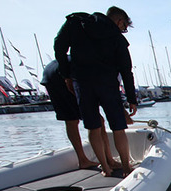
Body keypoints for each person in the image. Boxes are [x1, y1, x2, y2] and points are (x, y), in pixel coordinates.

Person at [54, 6, 138, 176]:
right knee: (118, 128)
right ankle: (126, 168)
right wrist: (131, 99)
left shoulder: (75, 23)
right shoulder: (116, 37)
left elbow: (58, 46)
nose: (123, 31)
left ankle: (106, 169)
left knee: (93, 127)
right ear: (119, 21)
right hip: (107, 84)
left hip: (82, 84)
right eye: (124, 28)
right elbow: (126, 70)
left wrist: (67, 75)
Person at [40, 59, 120, 171]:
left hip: (50, 74)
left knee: (71, 120)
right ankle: (109, 161)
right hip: (66, 75)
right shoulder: (102, 70)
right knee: (97, 121)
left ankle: (83, 160)